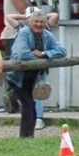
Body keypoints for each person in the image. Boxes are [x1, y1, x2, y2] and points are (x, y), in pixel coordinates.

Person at [6, 9, 66, 138]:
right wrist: (43, 57)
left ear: (45, 23)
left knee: (31, 104)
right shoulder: (23, 33)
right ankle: (26, 136)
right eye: (36, 21)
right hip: (17, 76)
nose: (39, 24)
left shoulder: (47, 35)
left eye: (41, 22)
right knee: (28, 104)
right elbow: (21, 54)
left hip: (33, 77)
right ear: (30, 22)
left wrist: (44, 53)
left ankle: (28, 135)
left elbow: (62, 51)